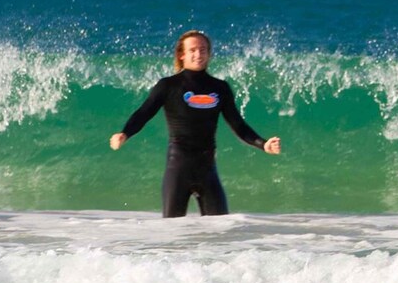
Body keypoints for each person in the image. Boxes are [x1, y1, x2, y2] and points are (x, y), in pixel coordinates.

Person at [110, 30, 281, 217]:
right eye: (192, 50)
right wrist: (125, 133)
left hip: (207, 169)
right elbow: (144, 113)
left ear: (208, 54)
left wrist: (263, 144)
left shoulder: (219, 88)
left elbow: (237, 124)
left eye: (203, 49)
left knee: (221, 229)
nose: (198, 54)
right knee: (172, 231)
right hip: (178, 168)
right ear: (181, 55)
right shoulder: (168, 85)